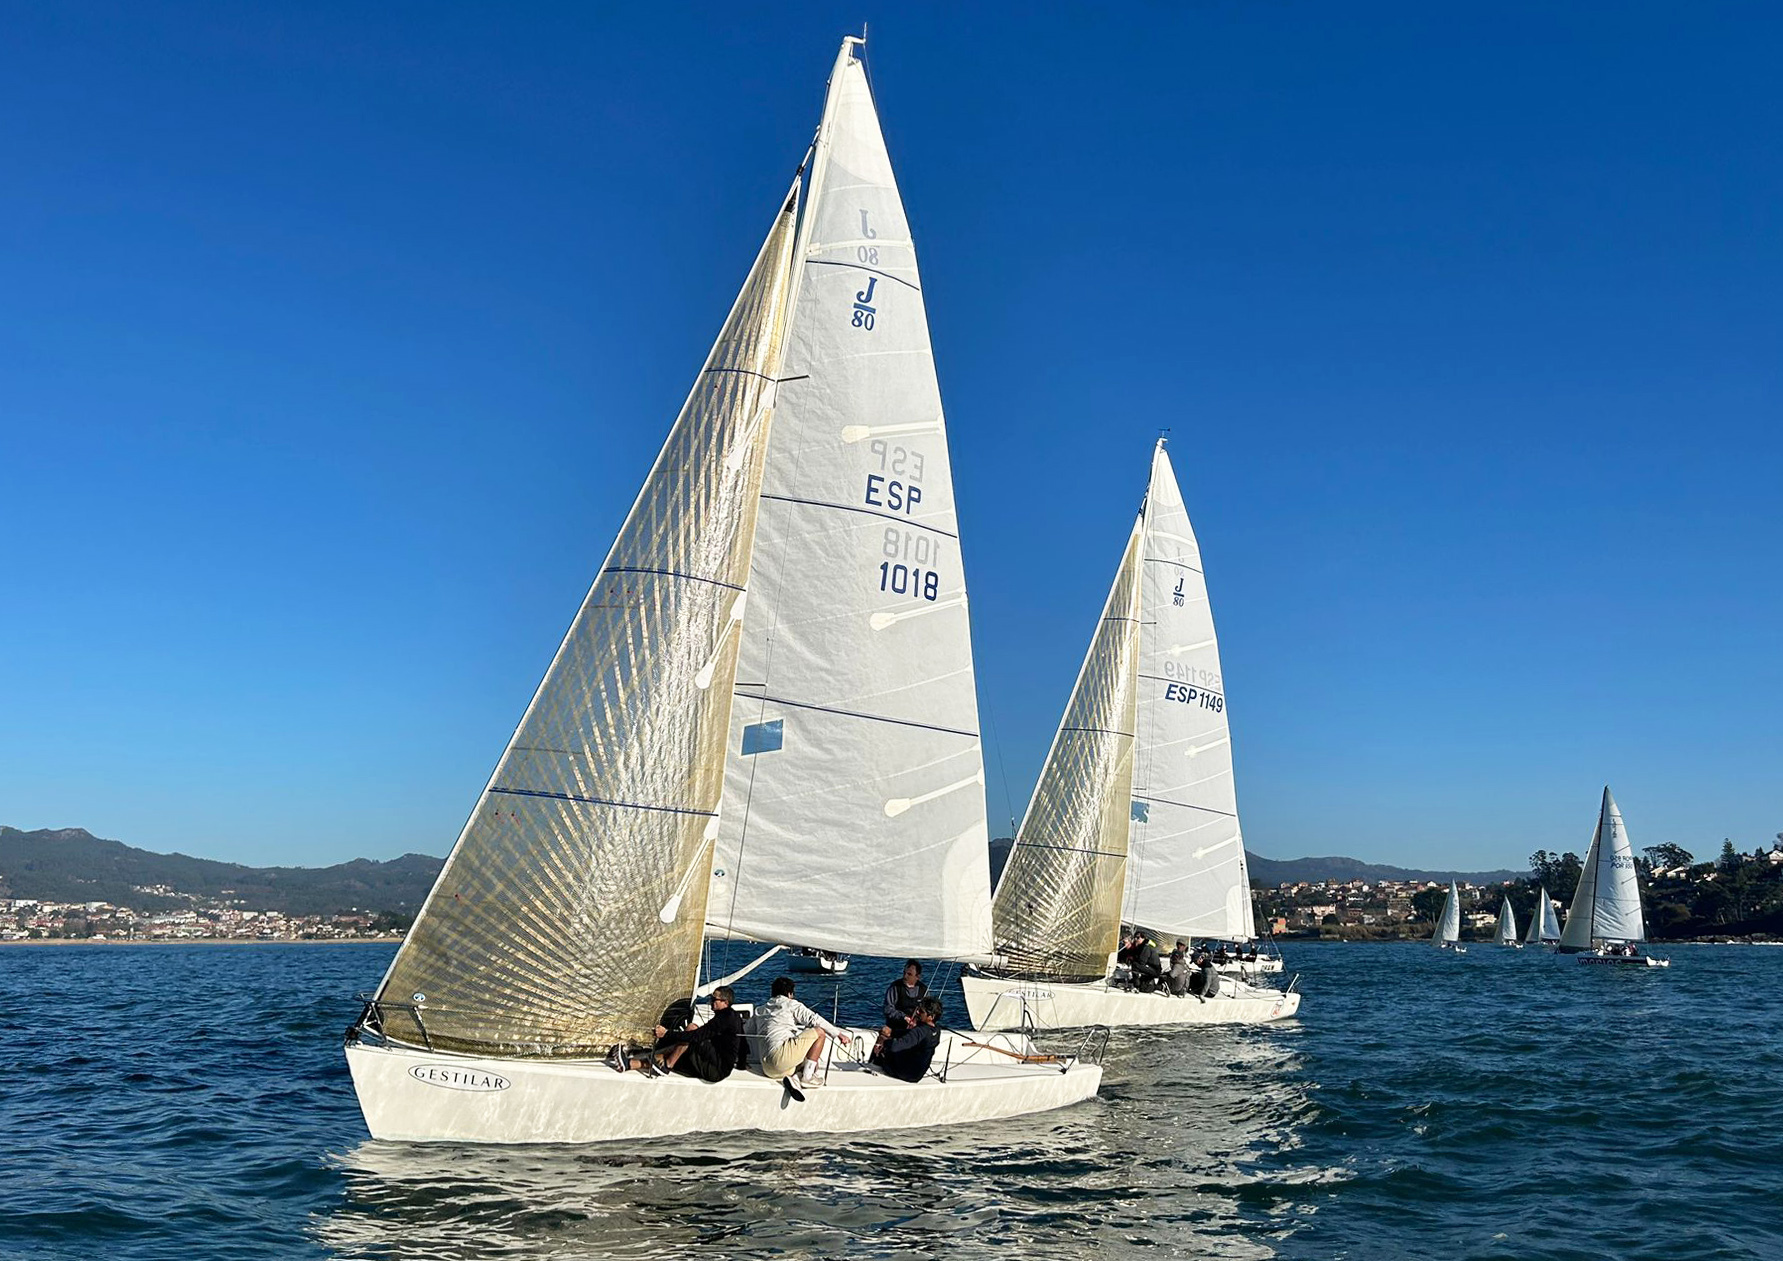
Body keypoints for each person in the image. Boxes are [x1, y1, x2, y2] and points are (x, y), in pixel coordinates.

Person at [607, 986, 743, 1082]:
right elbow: (743, 1044)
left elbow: (695, 1036)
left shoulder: (725, 1018)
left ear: (725, 1002)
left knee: (690, 1030)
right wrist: (742, 1063)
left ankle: (667, 1064)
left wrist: (666, 1034)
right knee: (679, 1050)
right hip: (716, 1066)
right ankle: (630, 1063)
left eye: (714, 1000)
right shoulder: (733, 1016)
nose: (711, 1002)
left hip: (715, 1070)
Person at [752, 976, 851, 1090]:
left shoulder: (759, 1010)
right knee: (819, 1032)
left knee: (812, 1062)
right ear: (790, 994)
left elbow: (746, 1030)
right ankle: (807, 1078)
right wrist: (839, 1034)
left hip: (767, 1068)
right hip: (780, 1059)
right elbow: (815, 1019)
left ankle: (795, 1078)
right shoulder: (791, 1004)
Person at [872, 996, 943, 1082]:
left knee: (884, 1045)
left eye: (921, 1011)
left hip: (904, 1073)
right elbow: (911, 1036)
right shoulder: (936, 1030)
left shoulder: (920, 1031)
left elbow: (895, 1047)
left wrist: (884, 1042)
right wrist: (893, 1032)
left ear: (931, 1017)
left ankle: (873, 1067)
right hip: (917, 1075)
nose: (917, 1012)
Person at [882, 959, 928, 1035]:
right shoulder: (895, 987)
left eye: (909, 974)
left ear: (918, 977)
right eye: (904, 973)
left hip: (915, 1030)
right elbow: (887, 1009)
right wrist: (903, 1017)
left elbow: (927, 1010)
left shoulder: (924, 990)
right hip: (896, 1029)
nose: (905, 976)